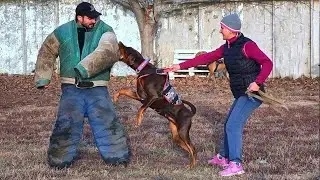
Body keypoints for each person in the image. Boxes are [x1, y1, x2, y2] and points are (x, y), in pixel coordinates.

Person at [164, 13, 273, 177]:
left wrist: (258, 82)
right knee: (229, 123)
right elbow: (206, 58)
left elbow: (267, 63)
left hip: (252, 94)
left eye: (222, 28)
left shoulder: (247, 46)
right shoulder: (227, 47)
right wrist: (179, 66)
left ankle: (236, 164)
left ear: (231, 30)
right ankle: (224, 157)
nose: (220, 31)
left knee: (233, 125)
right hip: (241, 93)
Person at [34, 2, 130, 168]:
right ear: (79, 17)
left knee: (107, 123)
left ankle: (117, 158)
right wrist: (43, 78)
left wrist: (83, 69)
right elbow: (47, 51)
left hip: (97, 88)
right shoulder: (62, 32)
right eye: (90, 18)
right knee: (66, 125)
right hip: (71, 89)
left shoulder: (106, 30)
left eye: (95, 17)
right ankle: (59, 161)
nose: (94, 20)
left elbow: (108, 51)